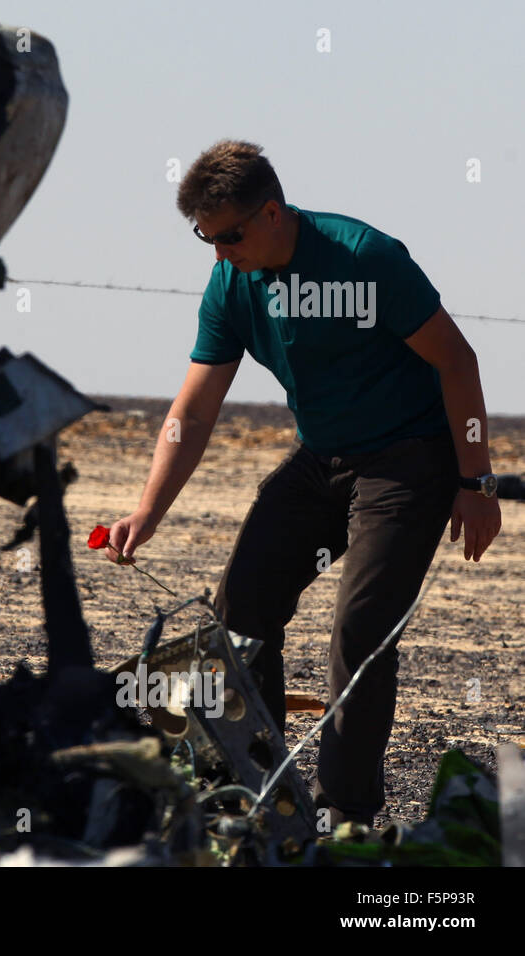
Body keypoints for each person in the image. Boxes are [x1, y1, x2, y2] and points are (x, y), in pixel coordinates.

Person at [105, 140, 502, 829]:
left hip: (409, 461)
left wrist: (476, 480)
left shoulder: (364, 258)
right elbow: (193, 410)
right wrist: (147, 510)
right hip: (321, 457)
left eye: (230, 235)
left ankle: (346, 810)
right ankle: (259, 791)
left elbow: (458, 362)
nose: (220, 252)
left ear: (272, 213)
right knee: (241, 610)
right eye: (206, 239)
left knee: (362, 624)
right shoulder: (231, 281)